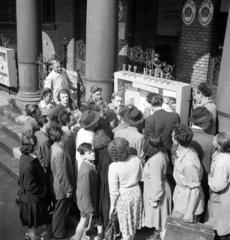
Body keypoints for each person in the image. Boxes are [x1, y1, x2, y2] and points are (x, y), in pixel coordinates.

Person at [108, 137, 143, 240]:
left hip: (124, 198)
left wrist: (112, 206)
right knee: (133, 225)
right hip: (136, 193)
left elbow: (114, 191)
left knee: (125, 228)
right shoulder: (136, 159)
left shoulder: (113, 166)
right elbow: (141, 177)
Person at [18, 133, 50, 240]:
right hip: (32, 199)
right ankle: (33, 237)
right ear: (33, 146)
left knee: (31, 223)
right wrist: (42, 191)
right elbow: (30, 185)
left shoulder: (25, 157)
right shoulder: (29, 164)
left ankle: (31, 235)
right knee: (32, 223)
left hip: (29, 198)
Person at [172, 123, 204, 222]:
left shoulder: (188, 163)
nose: (171, 136)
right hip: (181, 197)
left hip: (186, 204)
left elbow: (195, 189)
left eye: (172, 135)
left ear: (177, 141)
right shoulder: (186, 150)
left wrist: (189, 213)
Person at [143, 134, 171, 239]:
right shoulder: (162, 154)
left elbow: (157, 183)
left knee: (163, 223)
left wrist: (154, 200)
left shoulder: (155, 160)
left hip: (158, 195)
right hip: (162, 191)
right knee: (162, 222)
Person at [49, 125, 75, 239]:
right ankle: (58, 233)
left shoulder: (55, 147)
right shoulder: (59, 152)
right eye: (64, 134)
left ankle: (60, 228)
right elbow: (62, 174)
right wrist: (68, 189)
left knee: (61, 209)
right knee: (59, 210)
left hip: (57, 185)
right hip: (61, 188)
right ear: (61, 136)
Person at [205, 132, 230, 239]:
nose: (212, 141)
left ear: (220, 146)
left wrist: (209, 178)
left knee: (220, 230)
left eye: (215, 140)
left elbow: (218, 185)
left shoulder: (222, 162)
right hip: (223, 200)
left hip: (221, 200)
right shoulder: (222, 155)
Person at [73, 143, 99, 240]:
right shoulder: (86, 171)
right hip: (85, 202)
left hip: (86, 201)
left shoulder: (90, 164)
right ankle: (77, 238)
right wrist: (89, 208)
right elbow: (85, 191)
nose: (93, 154)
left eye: (93, 151)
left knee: (84, 221)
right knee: (83, 221)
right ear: (83, 155)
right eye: (89, 152)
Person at [189, 107, 214, 206]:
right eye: (209, 121)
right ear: (204, 122)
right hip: (202, 182)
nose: (210, 123)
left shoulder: (181, 135)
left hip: (182, 182)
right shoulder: (212, 140)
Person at [93, 129, 113, 230]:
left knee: (99, 202)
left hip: (99, 179)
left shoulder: (95, 151)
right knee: (106, 203)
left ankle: (100, 223)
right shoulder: (109, 152)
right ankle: (107, 225)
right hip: (107, 180)